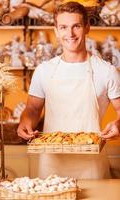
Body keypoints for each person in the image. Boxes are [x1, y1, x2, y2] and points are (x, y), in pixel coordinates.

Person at [17, 2, 120, 179]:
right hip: (52, 165)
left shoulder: (106, 71)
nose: (70, 34)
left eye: (76, 26)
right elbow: (33, 109)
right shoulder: (44, 70)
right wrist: (25, 121)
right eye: (63, 27)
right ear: (56, 30)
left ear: (87, 27)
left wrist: (118, 125)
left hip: (92, 165)